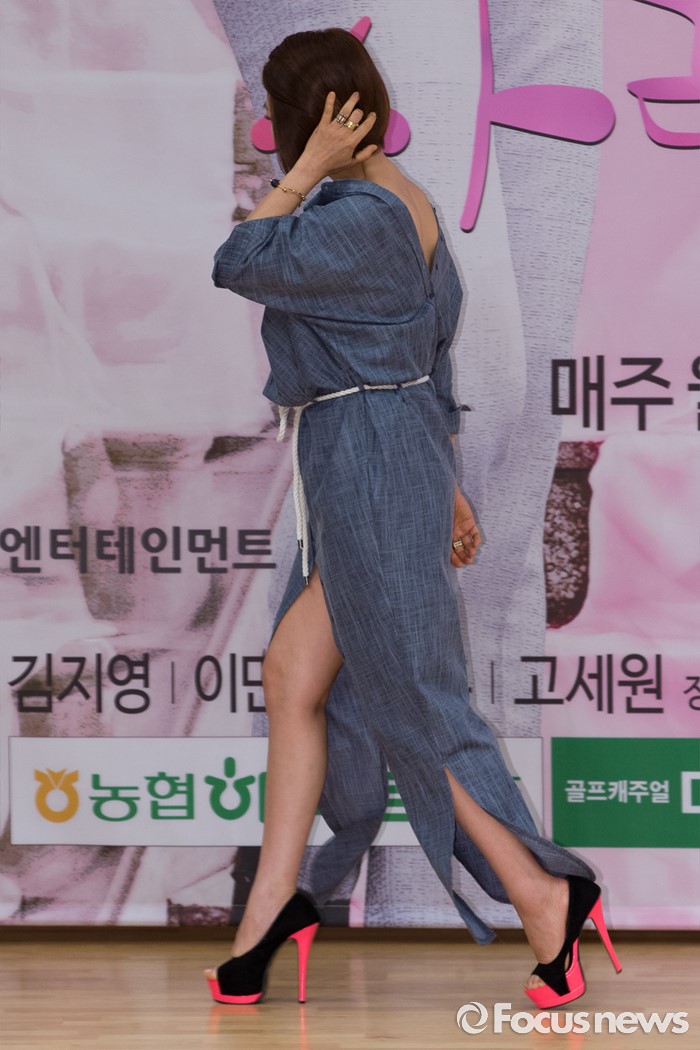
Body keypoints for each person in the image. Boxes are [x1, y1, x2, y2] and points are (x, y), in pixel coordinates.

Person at [205, 27, 621, 1009]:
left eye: (279, 118)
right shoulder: (406, 200)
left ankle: (544, 897)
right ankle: (273, 910)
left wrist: (300, 171)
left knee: (420, 706)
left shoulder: (354, 216)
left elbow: (238, 260)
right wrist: (449, 486)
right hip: (376, 455)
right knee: (293, 676)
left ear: (305, 121)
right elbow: (427, 361)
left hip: (363, 458)